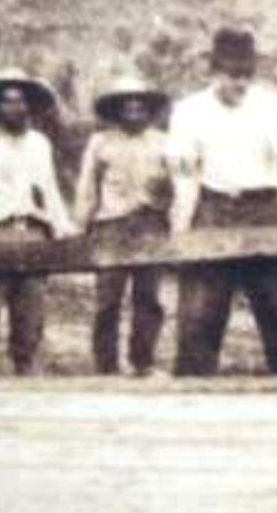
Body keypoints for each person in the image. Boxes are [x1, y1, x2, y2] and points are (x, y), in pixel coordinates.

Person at [166, 27, 277, 376]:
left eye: (246, 75)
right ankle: (191, 400)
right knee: (198, 316)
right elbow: (186, 177)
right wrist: (181, 231)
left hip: (264, 209)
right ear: (213, 71)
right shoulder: (188, 111)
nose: (240, 83)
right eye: (232, 74)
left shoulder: (271, 106)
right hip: (213, 209)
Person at [0, 67, 76, 376]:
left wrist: (62, 225)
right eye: (7, 101)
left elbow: (49, 190)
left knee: (31, 303)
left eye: (21, 101)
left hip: (33, 230)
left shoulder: (39, 144)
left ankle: (26, 364)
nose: (15, 107)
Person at [75, 71, 172, 376]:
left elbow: (178, 186)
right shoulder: (100, 142)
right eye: (127, 108)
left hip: (151, 225)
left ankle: (143, 361)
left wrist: (174, 218)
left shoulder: (164, 143)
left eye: (140, 107)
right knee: (108, 300)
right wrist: (81, 225)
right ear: (117, 111)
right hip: (111, 226)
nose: (134, 114)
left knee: (149, 297)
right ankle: (105, 365)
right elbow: (87, 187)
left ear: (149, 111)